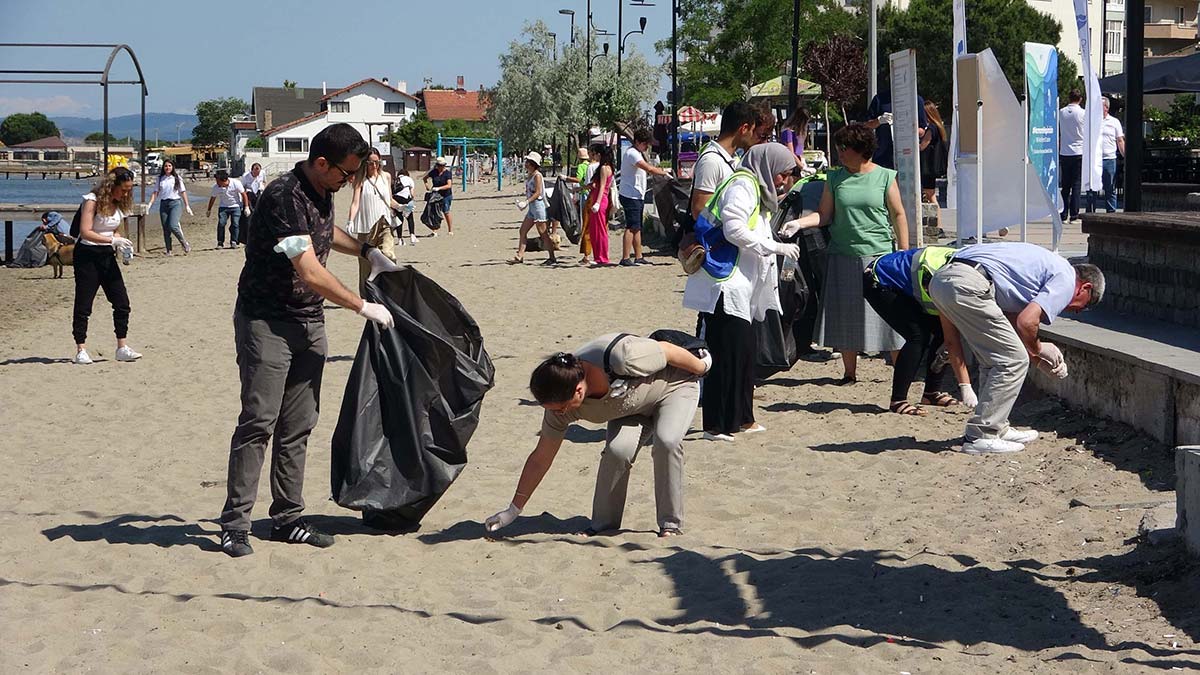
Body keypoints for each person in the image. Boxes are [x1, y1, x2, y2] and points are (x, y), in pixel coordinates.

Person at [218, 123, 402, 558]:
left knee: (298, 425)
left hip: (309, 322)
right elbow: (308, 268)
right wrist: (362, 306)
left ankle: (286, 519)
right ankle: (235, 525)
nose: (349, 181)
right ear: (322, 163)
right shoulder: (283, 196)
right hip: (267, 323)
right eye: (346, 173)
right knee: (259, 422)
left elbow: (324, 233)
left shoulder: (323, 191)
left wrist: (365, 250)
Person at [483, 335, 710, 537]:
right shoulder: (559, 403)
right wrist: (512, 510)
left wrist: (703, 367)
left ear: (579, 391)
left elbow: (667, 350)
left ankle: (670, 524)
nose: (558, 414)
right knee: (617, 451)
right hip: (631, 408)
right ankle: (604, 525)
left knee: (666, 441)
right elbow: (541, 458)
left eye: (561, 408)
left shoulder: (622, 357)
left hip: (674, 388)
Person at [927, 242, 1105, 454]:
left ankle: (996, 426)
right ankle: (982, 435)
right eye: (1084, 305)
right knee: (1012, 361)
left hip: (944, 279)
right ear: (1085, 287)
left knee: (995, 360)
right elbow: (1027, 322)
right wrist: (1040, 348)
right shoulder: (1066, 278)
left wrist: (1037, 361)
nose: (1076, 311)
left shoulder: (1042, 269)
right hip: (969, 283)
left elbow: (1012, 326)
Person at [684, 143, 802, 441]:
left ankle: (743, 418)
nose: (783, 180)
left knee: (745, 356)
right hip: (726, 285)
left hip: (743, 288)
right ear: (768, 167)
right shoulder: (743, 185)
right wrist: (776, 247)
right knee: (726, 356)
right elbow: (733, 230)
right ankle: (717, 425)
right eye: (782, 173)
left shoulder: (757, 190)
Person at [789, 123, 907, 384]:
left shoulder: (885, 176)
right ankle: (849, 373)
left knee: (890, 319)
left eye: (845, 148)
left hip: (878, 255)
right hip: (842, 253)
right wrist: (799, 223)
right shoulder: (834, 178)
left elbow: (898, 214)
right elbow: (824, 215)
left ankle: (902, 375)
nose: (840, 153)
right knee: (845, 315)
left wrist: (903, 251)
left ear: (861, 149)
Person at [861, 246, 976, 415]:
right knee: (917, 336)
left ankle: (931, 394)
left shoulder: (970, 271)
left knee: (941, 333)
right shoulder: (950, 281)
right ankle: (898, 401)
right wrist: (965, 386)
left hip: (911, 279)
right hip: (880, 278)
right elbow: (952, 341)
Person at [71, 167, 142, 365]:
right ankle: (81, 349)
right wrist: (112, 240)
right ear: (112, 185)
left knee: (122, 302)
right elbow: (85, 231)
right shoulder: (92, 200)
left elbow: (113, 229)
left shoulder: (119, 203)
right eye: (123, 189)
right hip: (87, 255)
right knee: (84, 304)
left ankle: (122, 347)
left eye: (129, 190)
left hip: (107, 255)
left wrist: (121, 243)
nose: (126, 193)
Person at [689, 101, 759, 220]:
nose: (753, 136)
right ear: (744, 128)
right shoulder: (711, 161)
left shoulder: (733, 158)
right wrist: (732, 223)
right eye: (752, 131)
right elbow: (699, 210)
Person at [347, 148, 402, 292]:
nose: (375, 166)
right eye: (371, 163)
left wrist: (400, 206)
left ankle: (388, 291)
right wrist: (350, 221)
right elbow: (355, 202)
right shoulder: (360, 180)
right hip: (366, 226)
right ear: (365, 163)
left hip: (384, 222)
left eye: (377, 162)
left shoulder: (386, 177)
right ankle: (367, 295)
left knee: (389, 255)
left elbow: (389, 199)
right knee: (366, 264)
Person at [618, 128, 671, 266]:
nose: (647, 146)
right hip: (630, 195)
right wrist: (664, 172)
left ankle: (638, 256)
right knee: (631, 226)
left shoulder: (637, 153)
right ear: (637, 142)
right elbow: (648, 168)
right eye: (645, 143)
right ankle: (625, 257)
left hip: (637, 195)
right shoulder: (632, 154)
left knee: (637, 227)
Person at [509, 151, 556, 265]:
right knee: (523, 230)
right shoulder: (531, 175)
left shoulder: (537, 176)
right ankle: (520, 256)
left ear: (532, 164)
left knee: (543, 233)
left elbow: (538, 192)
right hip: (532, 207)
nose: (525, 164)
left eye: (528, 162)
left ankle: (552, 257)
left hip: (538, 206)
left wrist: (526, 202)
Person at [864, 89, 929, 170]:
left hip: (907, 155)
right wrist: (879, 120)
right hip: (883, 155)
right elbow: (867, 126)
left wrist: (910, 129)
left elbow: (922, 131)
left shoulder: (916, 99)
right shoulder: (880, 99)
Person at [145, 160, 193, 256]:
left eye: (169, 166)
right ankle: (168, 250)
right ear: (163, 167)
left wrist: (187, 205)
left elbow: (183, 192)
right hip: (164, 204)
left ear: (172, 167)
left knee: (173, 225)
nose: (167, 168)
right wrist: (150, 204)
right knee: (166, 228)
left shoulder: (177, 178)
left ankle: (184, 243)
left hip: (175, 203)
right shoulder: (160, 179)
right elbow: (155, 192)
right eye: (166, 166)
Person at [1090, 97, 1124, 214]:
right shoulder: (1092, 121)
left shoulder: (1114, 122)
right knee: (1092, 188)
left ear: (1106, 108)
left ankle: (1111, 212)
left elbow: (1120, 140)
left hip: (1109, 159)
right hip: (1095, 159)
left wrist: (1125, 155)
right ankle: (1090, 213)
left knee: (1110, 188)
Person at [1058, 90, 1085, 222]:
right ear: (1080, 99)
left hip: (1065, 151)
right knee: (1076, 184)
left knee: (1065, 185)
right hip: (1078, 151)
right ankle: (1074, 214)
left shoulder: (1061, 112)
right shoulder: (1082, 113)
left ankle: (1063, 214)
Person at [586, 145, 615, 266]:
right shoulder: (608, 167)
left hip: (600, 199)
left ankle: (601, 257)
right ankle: (599, 256)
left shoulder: (603, 168)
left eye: (595, 154)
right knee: (596, 229)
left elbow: (602, 186)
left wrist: (597, 202)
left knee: (599, 230)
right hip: (601, 199)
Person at [206, 170, 249, 249]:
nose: (217, 182)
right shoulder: (216, 187)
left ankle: (234, 241)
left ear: (224, 180)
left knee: (235, 224)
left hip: (236, 206)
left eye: (218, 181)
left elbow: (244, 194)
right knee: (221, 223)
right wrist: (209, 209)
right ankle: (220, 242)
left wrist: (246, 207)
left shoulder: (236, 183)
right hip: (223, 207)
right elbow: (213, 198)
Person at [919, 101, 948, 207]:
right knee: (930, 195)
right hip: (931, 167)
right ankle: (936, 216)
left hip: (928, 167)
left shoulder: (931, 128)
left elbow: (922, 146)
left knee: (930, 195)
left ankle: (937, 217)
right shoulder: (938, 127)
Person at [424, 156, 454, 235]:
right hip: (436, 196)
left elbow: (449, 185)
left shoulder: (447, 173)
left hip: (446, 195)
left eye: (442, 165)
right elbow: (425, 178)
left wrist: (439, 188)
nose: (441, 167)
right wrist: (427, 186)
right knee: (434, 212)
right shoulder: (434, 172)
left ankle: (450, 230)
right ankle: (434, 230)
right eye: (439, 165)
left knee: (446, 212)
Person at [239, 162, 267, 245]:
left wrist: (262, 186)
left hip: (258, 193)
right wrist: (245, 204)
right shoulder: (246, 176)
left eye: (258, 172)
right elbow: (242, 189)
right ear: (252, 170)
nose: (257, 174)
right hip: (249, 194)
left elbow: (264, 181)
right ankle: (247, 237)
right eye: (255, 172)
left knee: (260, 216)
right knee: (248, 217)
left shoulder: (262, 173)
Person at [392, 167, 418, 246]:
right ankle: (412, 236)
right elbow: (412, 194)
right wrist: (411, 200)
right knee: (410, 218)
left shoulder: (395, 180)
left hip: (396, 199)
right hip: (406, 199)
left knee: (399, 219)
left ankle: (400, 239)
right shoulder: (409, 179)